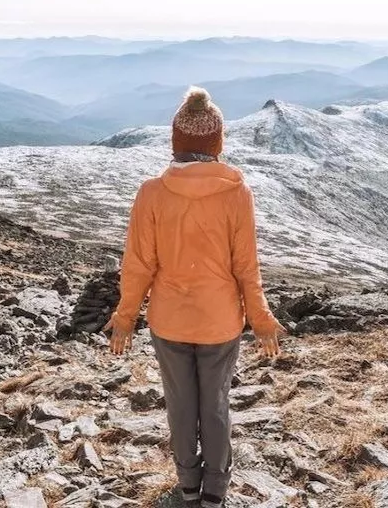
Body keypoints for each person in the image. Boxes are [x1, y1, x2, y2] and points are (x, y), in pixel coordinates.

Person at [103, 86, 284, 508]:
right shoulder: (237, 193)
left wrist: (126, 316)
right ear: (216, 144)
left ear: (177, 143)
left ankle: (188, 485)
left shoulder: (152, 193)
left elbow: (138, 266)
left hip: (169, 321)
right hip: (220, 322)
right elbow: (246, 268)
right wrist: (259, 319)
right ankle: (215, 490)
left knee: (181, 405)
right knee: (216, 405)